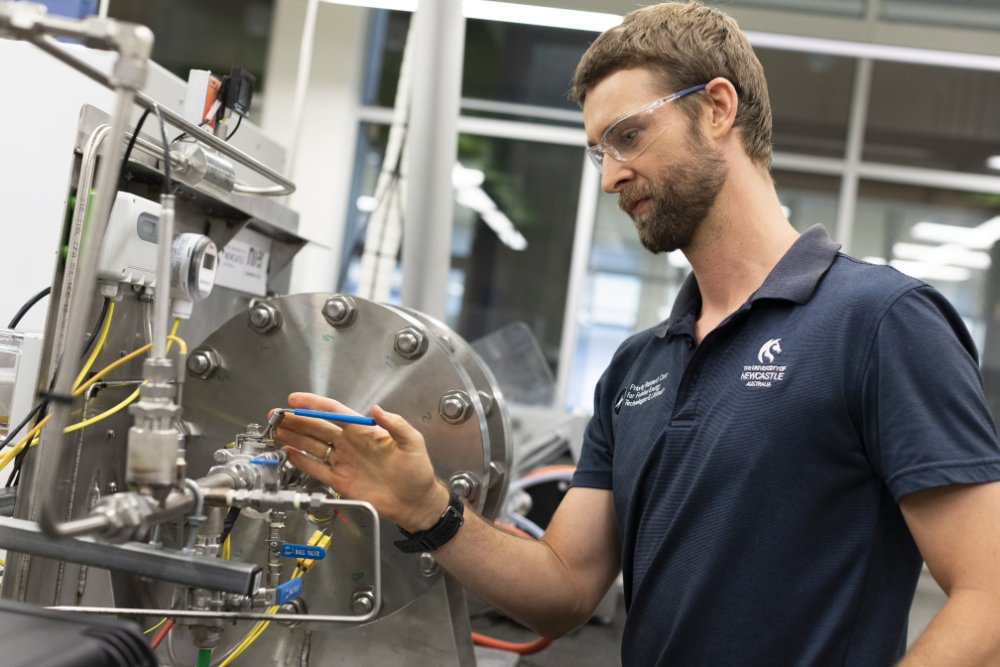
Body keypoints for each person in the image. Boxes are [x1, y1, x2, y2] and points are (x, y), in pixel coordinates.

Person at [276, 2, 1000, 664]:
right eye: (599, 150)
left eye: (628, 136)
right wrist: (427, 505)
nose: (610, 177)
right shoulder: (637, 366)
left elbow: (987, 594)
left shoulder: (879, 322)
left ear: (717, 108)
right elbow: (563, 588)